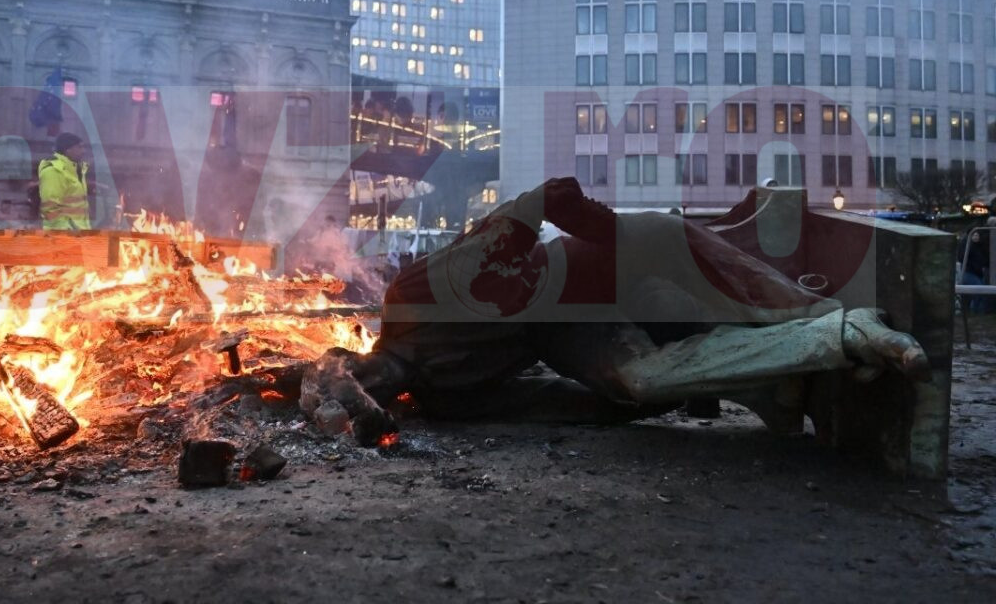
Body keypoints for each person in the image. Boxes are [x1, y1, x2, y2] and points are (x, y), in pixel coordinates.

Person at [302, 178, 930, 443]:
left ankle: (828, 314)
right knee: (644, 377)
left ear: (354, 358)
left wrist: (618, 239)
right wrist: (633, 400)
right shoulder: (443, 397)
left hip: (599, 264)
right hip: (571, 328)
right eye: (366, 395)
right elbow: (556, 403)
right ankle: (833, 343)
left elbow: (545, 200)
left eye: (357, 376)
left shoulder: (412, 296)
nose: (374, 385)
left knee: (765, 301)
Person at [38, 132, 90, 230]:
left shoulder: (76, 170)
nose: (83, 151)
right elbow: (50, 209)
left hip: (78, 236)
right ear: (68, 149)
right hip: (62, 238)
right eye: (79, 147)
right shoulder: (53, 171)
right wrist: (68, 232)